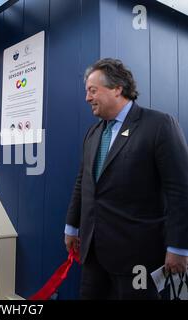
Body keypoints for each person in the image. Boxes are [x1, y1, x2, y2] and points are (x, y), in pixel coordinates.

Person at [64, 58, 188, 299]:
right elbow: (83, 183)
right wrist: (72, 226)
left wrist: (179, 246)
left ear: (117, 88)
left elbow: (180, 191)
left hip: (138, 256)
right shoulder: (93, 132)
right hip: (93, 252)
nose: (87, 98)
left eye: (92, 90)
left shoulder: (159, 125)